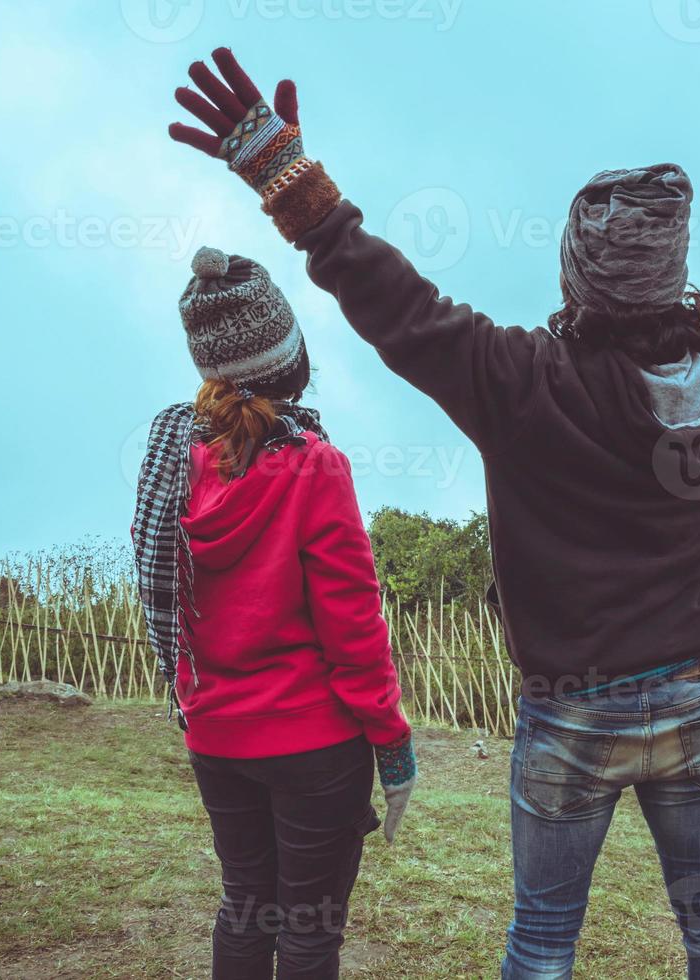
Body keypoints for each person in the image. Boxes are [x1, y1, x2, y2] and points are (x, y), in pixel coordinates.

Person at [166, 47, 700, 980]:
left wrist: (282, 173)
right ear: (674, 275)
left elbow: (393, 302)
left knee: (544, 941)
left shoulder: (518, 381)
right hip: (696, 706)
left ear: (576, 272)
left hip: (569, 719)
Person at [131, 244, 417, 980]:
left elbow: (163, 594)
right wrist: (392, 742)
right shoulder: (315, 467)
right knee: (312, 931)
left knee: (245, 906)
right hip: (314, 746)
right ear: (287, 362)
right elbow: (353, 626)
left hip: (217, 736)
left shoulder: (171, 460)